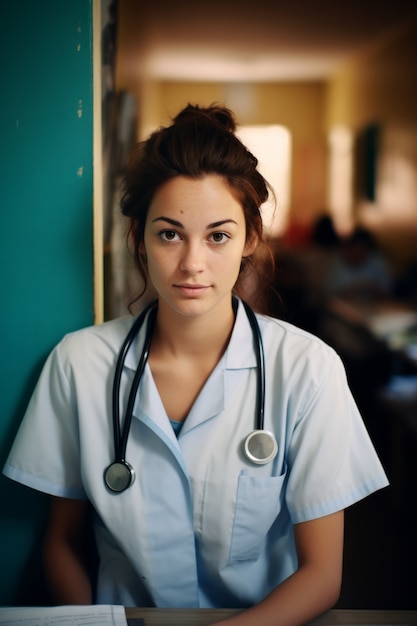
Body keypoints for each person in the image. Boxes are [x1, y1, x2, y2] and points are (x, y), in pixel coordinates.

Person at [3, 105, 388, 625]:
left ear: (250, 238)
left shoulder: (307, 369)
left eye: (218, 235)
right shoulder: (80, 364)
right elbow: (60, 544)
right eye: (169, 234)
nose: (192, 264)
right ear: (137, 236)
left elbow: (322, 575)